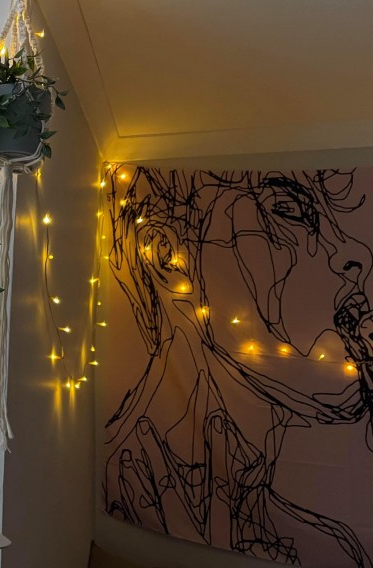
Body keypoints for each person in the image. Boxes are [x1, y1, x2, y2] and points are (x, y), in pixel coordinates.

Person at [103, 166, 373, 567]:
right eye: (288, 210)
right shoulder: (114, 480)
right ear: (167, 255)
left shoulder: (331, 547)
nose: (358, 256)